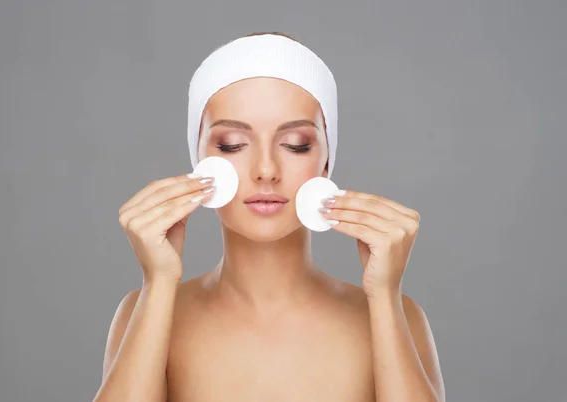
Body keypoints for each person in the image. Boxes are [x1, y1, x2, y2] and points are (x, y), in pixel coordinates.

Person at [93, 32, 445, 402]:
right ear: (199, 160)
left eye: (296, 145)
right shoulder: (146, 310)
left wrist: (385, 297)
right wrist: (159, 281)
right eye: (232, 144)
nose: (265, 169)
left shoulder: (396, 315)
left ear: (326, 160)